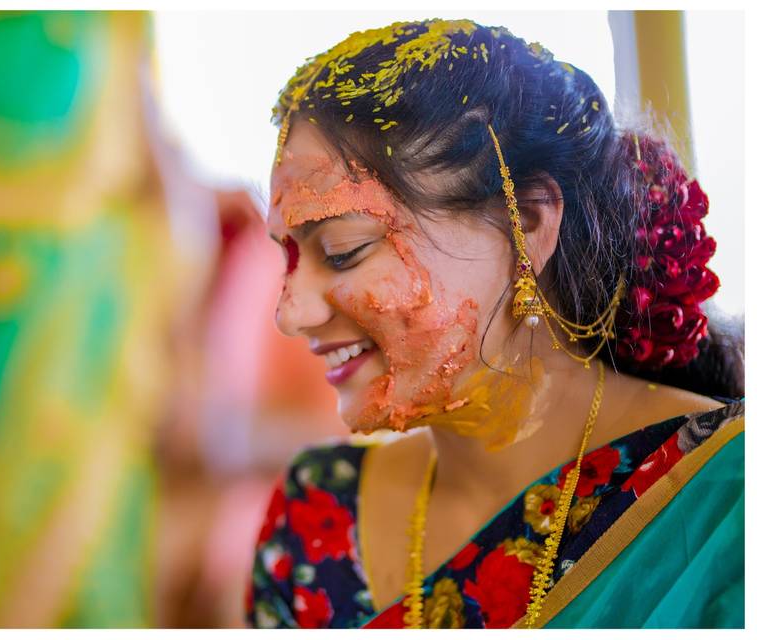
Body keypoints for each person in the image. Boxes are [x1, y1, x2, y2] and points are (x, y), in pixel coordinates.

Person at [245, 19, 743, 629]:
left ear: (528, 222)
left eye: (344, 250)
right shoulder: (314, 517)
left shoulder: (726, 494)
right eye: (288, 257)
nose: (290, 314)